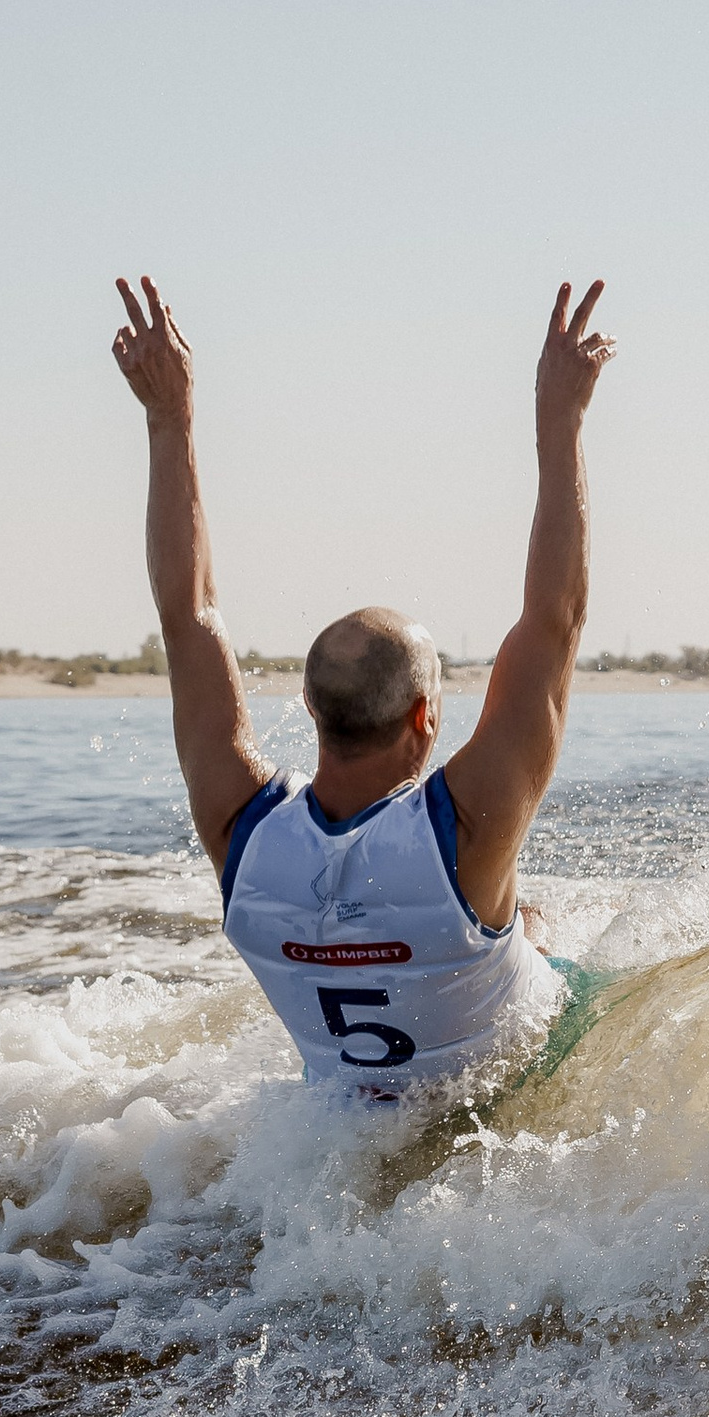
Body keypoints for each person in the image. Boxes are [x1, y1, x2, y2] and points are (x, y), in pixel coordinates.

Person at [113, 268, 611, 1097]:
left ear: (310, 708)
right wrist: (562, 420)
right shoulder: (465, 833)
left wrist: (170, 418)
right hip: (502, 1110)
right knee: (561, 938)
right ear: (425, 717)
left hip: (336, 1141)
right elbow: (556, 618)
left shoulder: (244, 835)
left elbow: (188, 615)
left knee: (525, 921)